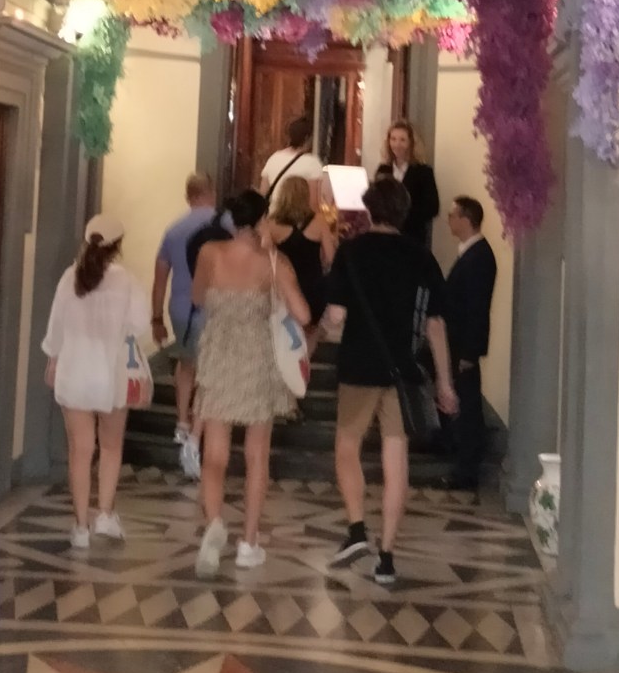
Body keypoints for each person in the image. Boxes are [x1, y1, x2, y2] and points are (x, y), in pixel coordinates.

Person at [321, 177, 458, 585]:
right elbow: (435, 325)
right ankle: (387, 557)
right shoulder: (422, 258)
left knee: (347, 446)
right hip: (404, 370)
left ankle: (357, 530)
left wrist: (323, 328)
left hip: (360, 365)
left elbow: (336, 316)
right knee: (395, 460)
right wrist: (445, 384)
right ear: (403, 213)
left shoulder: (352, 251)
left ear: (368, 210)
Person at [191, 190, 312, 576]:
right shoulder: (272, 263)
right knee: (257, 455)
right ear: (261, 220)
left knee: (215, 454)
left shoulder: (210, 253)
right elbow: (303, 314)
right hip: (257, 358)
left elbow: (197, 297)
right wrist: (274, 265)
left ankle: (213, 525)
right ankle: (249, 542)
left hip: (219, 355)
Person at [43, 214, 149, 548]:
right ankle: (105, 514)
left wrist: (53, 359)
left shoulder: (68, 279)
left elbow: (56, 327)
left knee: (80, 451)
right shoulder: (127, 282)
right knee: (111, 446)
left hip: (74, 370)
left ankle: (80, 527)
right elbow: (139, 328)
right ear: (118, 246)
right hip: (112, 372)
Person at [151, 173, 218, 480]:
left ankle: (181, 422)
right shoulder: (223, 225)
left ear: (188, 195)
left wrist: (156, 318)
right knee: (210, 374)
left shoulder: (173, 229)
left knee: (186, 363)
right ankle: (194, 438)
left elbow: (160, 276)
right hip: (211, 306)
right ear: (211, 192)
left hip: (179, 308)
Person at [433, 195, 498, 498]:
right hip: (457, 342)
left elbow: (477, 309)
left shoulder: (480, 257)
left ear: (466, 219)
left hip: (464, 346)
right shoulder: (470, 254)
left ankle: (467, 469)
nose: (448, 219)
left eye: (452, 214)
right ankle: (452, 446)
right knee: (461, 401)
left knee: (469, 406)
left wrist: (470, 353)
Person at [267, 173, 336, 328]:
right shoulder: (319, 221)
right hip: (313, 287)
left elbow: (266, 259)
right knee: (310, 330)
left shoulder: (271, 224)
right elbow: (331, 258)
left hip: (284, 288)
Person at [376, 119, 439, 245]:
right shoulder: (383, 170)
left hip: (412, 238)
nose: (397, 144)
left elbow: (432, 207)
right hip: (386, 238)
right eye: (393, 139)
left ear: (411, 143)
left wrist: (404, 217)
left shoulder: (423, 172)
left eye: (402, 140)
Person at [259, 116, 325, 207]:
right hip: (298, 218)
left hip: (274, 216)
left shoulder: (274, 158)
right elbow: (313, 203)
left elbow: (263, 193)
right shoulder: (312, 163)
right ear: (307, 138)